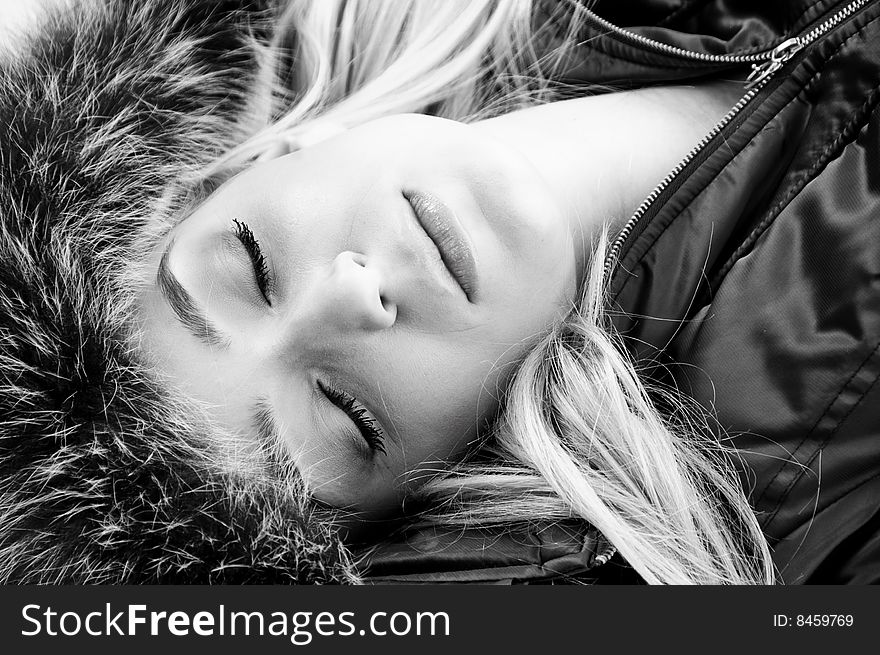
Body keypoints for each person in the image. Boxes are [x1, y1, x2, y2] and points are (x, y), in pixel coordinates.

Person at [1, 0, 878, 584]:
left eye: (251, 266)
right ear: (437, 483)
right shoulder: (804, 480)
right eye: (345, 410)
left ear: (245, 162)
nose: (352, 295)